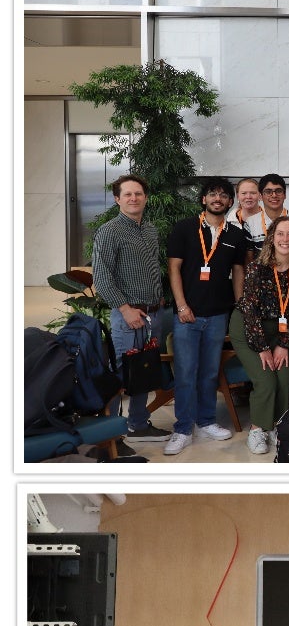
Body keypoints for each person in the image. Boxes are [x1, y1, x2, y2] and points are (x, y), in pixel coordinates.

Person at [161, 176, 248, 455]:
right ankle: (183, 428)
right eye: (212, 194)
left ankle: (206, 421)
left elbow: (238, 273)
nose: (218, 198)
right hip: (188, 314)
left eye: (224, 195)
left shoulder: (236, 235)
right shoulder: (185, 228)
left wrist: (240, 307)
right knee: (186, 373)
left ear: (230, 202)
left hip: (218, 314)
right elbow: (173, 269)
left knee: (210, 372)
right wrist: (182, 306)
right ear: (203, 199)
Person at [93, 174, 173, 441]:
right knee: (120, 373)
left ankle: (138, 424)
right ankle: (111, 435)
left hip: (153, 314)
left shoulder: (150, 229)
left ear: (146, 197)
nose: (133, 198)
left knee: (143, 370)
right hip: (128, 316)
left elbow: (152, 270)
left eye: (138, 193)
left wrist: (158, 299)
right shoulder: (109, 231)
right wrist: (125, 309)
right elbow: (102, 279)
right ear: (117, 199)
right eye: (127, 194)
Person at [233, 215, 289, 455]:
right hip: (249, 329)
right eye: (280, 234)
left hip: (281, 332)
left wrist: (285, 345)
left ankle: (277, 425)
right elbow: (250, 310)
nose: (285, 239)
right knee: (266, 379)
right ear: (271, 238)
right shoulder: (258, 267)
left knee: (285, 377)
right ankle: (257, 429)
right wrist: (263, 347)